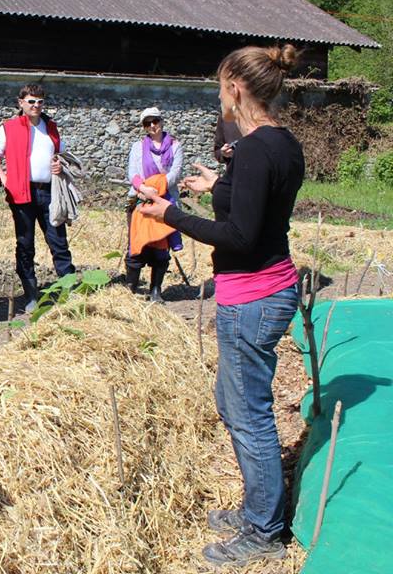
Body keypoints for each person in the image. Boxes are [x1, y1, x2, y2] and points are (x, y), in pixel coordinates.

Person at [140, 45, 304, 567]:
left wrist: (171, 214)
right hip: (266, 286)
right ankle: (260, 506)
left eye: (219, 85)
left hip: (252, 295)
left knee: (248, 413)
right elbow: (258, 206)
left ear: (236, 86)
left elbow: (239, 234)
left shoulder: (255, 149)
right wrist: (219, 184)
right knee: (233, 404)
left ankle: (264, 530)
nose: (218, 94)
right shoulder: (280, 143)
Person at [0, 83, 75, 313]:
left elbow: (62, 156)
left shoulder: (51, 127)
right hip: (21, 193)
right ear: (21, 103)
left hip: (49, 192)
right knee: (25, 244)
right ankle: (31, 295)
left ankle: (69, 290)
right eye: (31, 101)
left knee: (58, 242)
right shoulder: (9, 128)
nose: (36, 105)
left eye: (40, 102)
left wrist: (58, 165)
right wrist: (6, 180)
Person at [126, 106, 184, 303]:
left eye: (155, 121)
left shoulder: (175, 146)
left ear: (161, 121)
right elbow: (133, 173)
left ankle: (156, 290)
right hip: (141, 200)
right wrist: (144, 189)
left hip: (164, 200)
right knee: (137, 245)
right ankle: (130, 289)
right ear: (144, 127)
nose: (152, 126)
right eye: (147, 123)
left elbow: (175, 173)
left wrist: (156, 190)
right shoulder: (137, 147)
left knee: (161, 247)